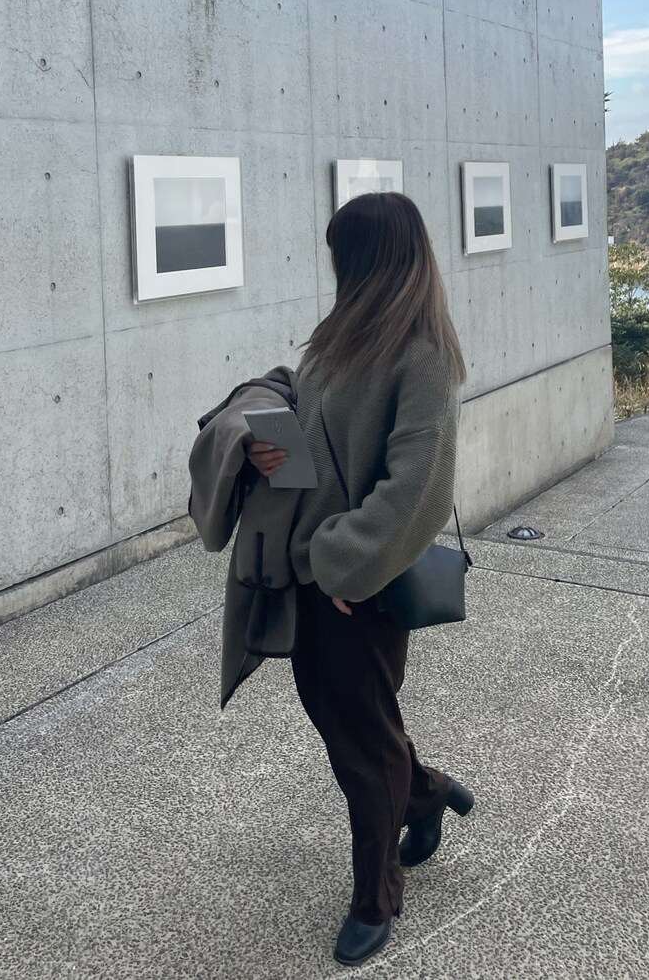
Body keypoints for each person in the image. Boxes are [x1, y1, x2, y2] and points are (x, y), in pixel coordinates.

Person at [247, 192, 473, 968]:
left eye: (342, 253)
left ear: (372, 258)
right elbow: (314, 433)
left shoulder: (423, 355)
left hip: (360, 583)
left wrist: (343, 566)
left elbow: (419, 490)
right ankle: (428, 793)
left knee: (360, 745)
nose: (335, 267)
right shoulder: (340, 338)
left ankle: (375, 897)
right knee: (351, 720)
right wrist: (268, 448)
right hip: (316, 573)